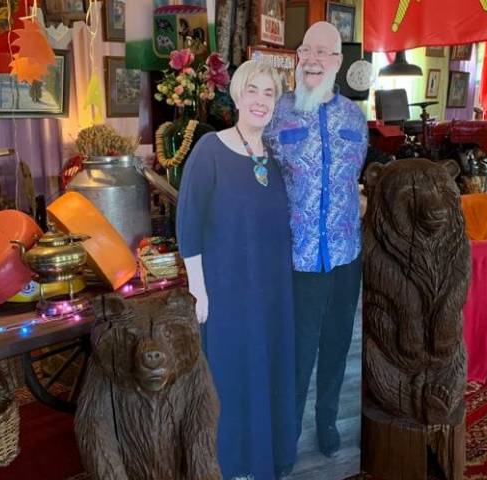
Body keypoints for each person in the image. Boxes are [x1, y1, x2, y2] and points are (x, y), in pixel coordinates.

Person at [177, 60, 297, 479]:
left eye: (269, 93)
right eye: (253, 91)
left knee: (268, 372)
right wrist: (198, 288)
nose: (260, 101)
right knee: (231, 376)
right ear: (237, 96)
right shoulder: (210, 150)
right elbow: (188, 222)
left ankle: (265, 462)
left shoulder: (277, 156)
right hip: (227, 290)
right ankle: (231, 466)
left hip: (273, 290)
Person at [263, 21, 367, 458]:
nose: (312, 59)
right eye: (306, 50)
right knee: (297, 352)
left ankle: (327, 421)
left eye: (323, 52)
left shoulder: (354, 117)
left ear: (338, 61)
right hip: (298, 258)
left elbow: (354, 179)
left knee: (337, 345)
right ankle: (286, 438)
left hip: (345, 255)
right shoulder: (276, 113)